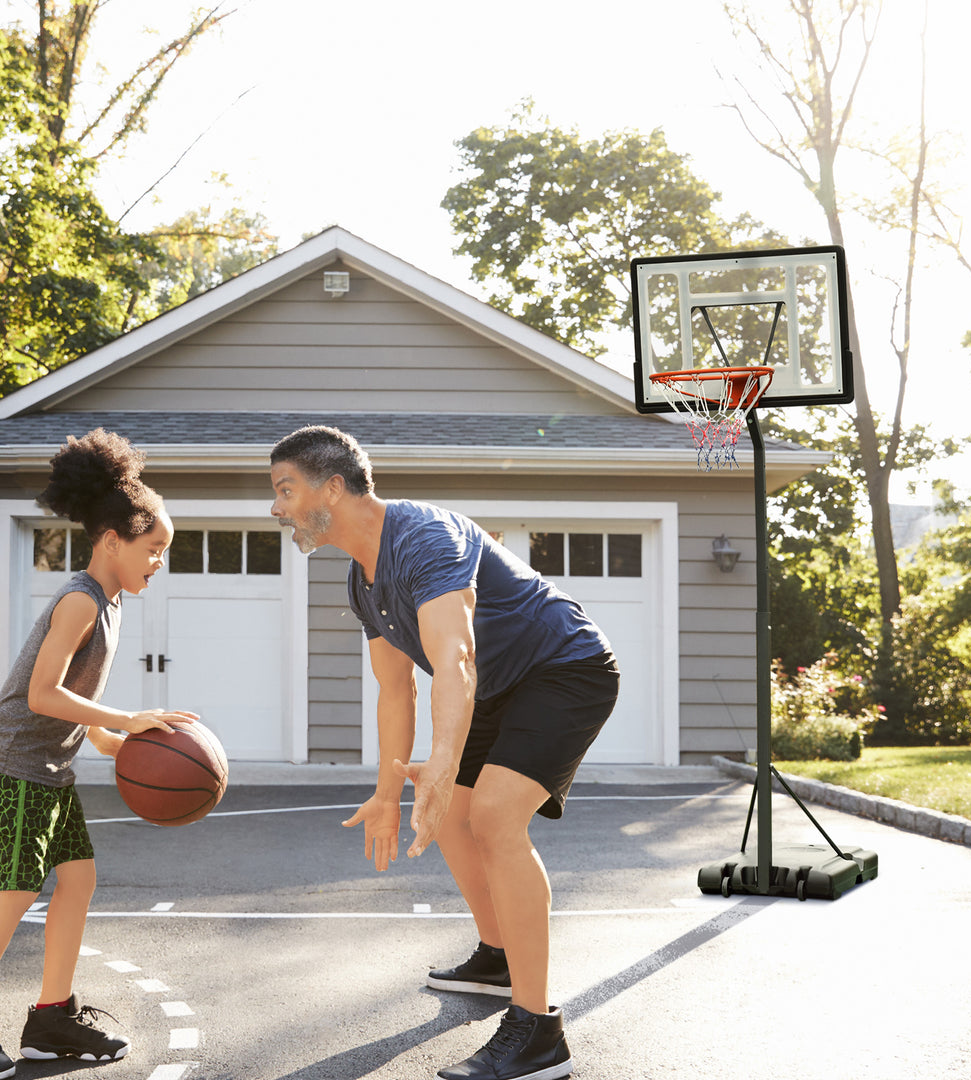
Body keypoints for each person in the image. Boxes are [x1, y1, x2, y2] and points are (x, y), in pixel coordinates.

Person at [270, 425, 619, 1080]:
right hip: (498, 685)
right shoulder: (361, 581)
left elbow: (454, 661)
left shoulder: (425, 537)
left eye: (285, 489)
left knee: (490, 818)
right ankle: (499, 955)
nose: (276, 507)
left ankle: (539, 1031)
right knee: (453, 818)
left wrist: (444, 762)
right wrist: (385, 792)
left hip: (565, 667)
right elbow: (395, 690)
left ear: (333, 487)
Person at [0, 430, 198, 1077]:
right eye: (153, 549)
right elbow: (40, 693)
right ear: (112, 539)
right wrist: (123, 716)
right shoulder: (81, 598)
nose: (158, 562)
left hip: (50, 770)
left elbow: (78, 712)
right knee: (13, 893)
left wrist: (128, 738)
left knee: (77, 881)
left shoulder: (107, 606)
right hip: (16, 767)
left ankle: (51, 1018)